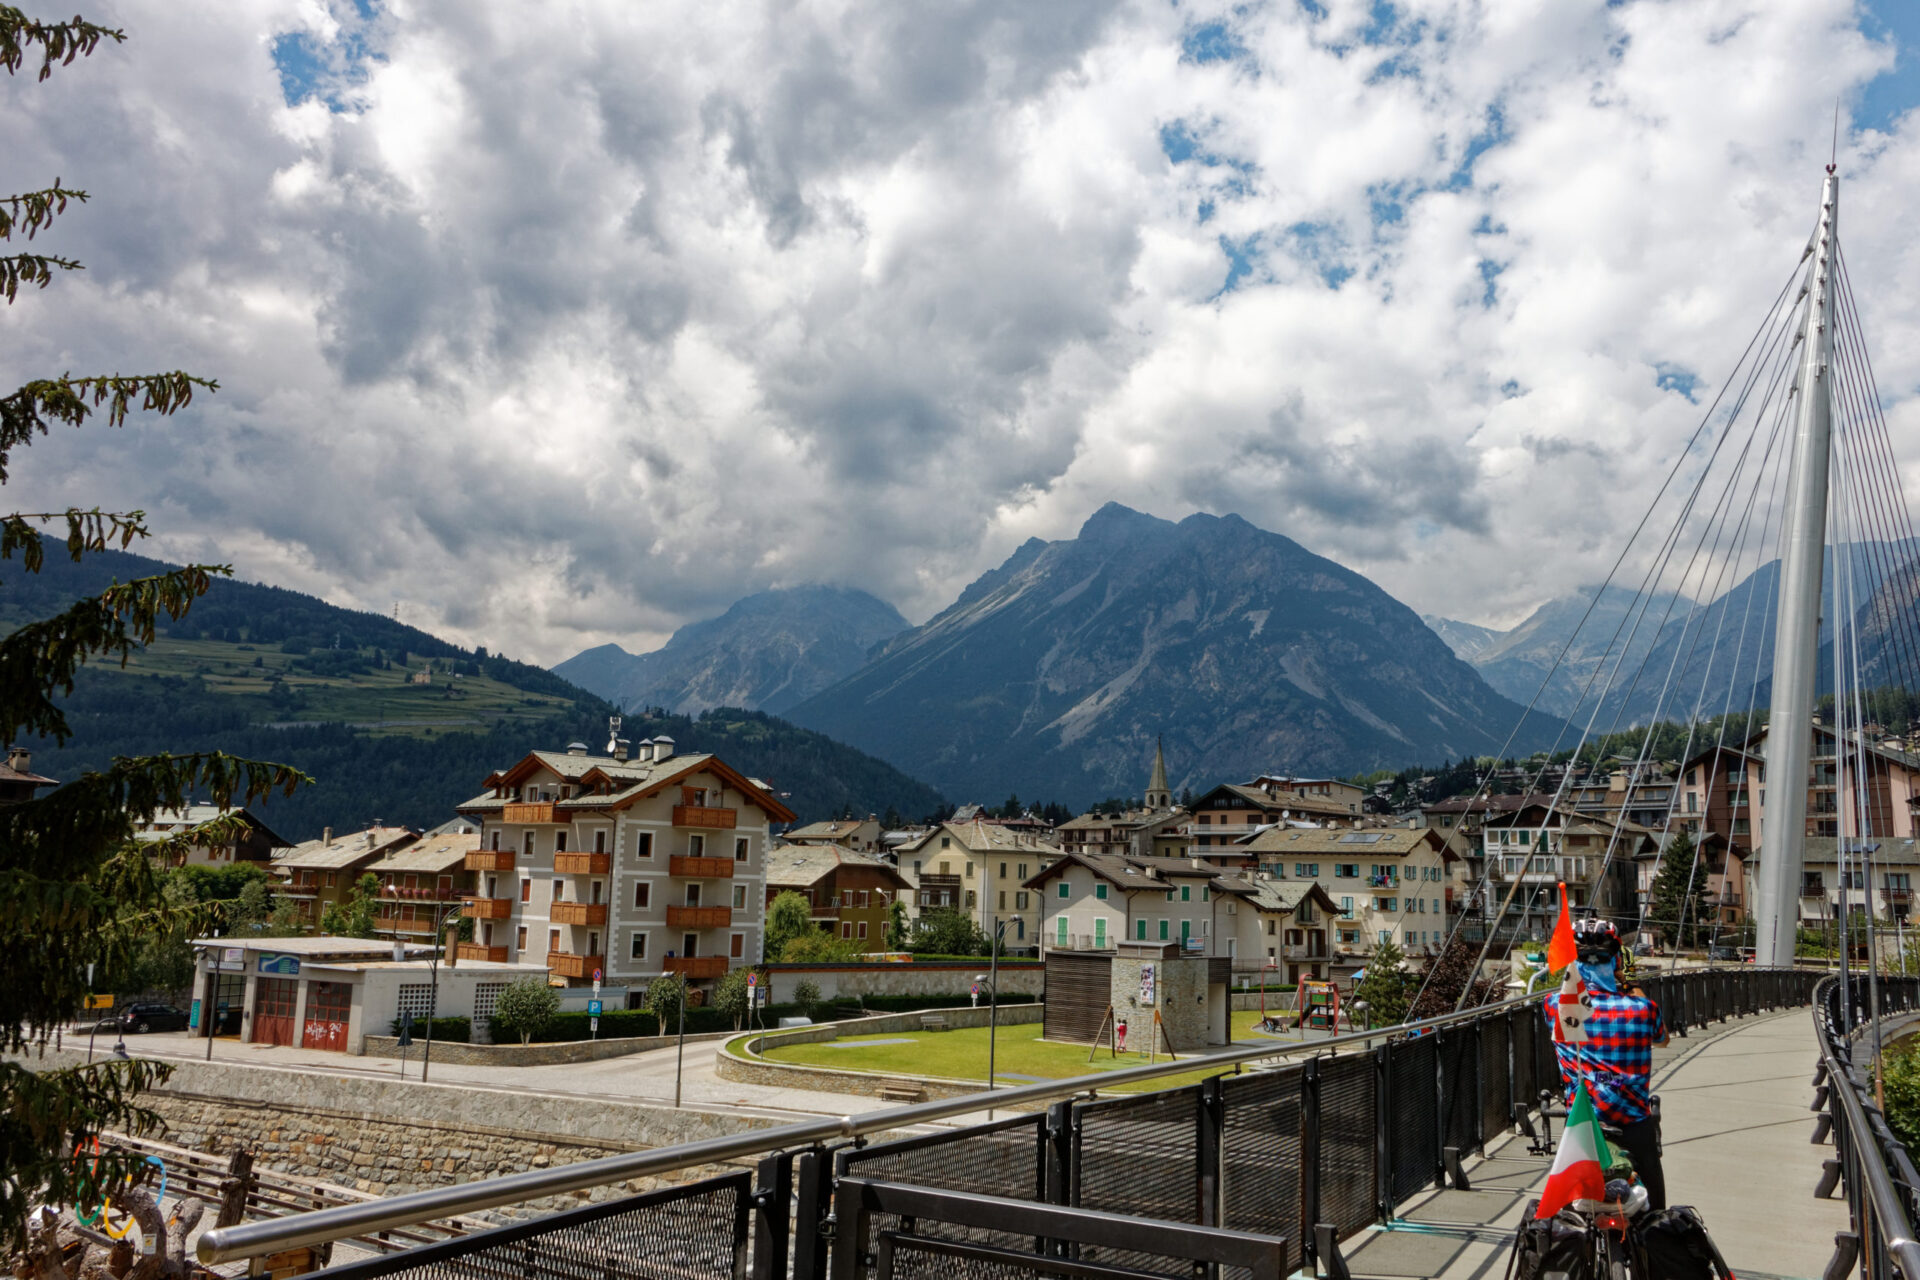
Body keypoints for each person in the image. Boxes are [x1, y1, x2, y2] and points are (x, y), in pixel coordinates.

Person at [1543, 916, 1669, 1209]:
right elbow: (1662, 1039)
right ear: (1616, 962)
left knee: (1562, 1216)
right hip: (1634, 1125)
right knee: (1656, 1213)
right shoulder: (1643, 1009)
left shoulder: (1556, 1006)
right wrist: (1630, 981)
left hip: (1585, 1126)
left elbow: (1569, 994)